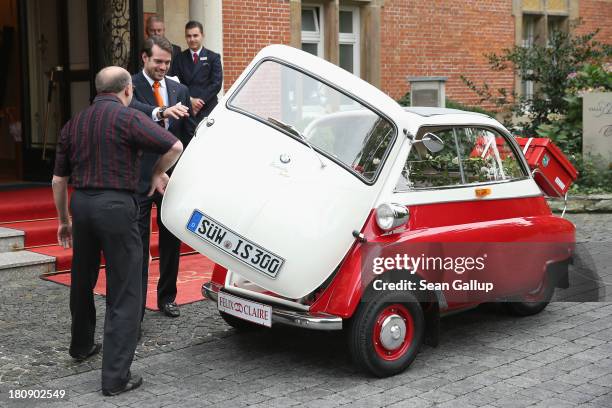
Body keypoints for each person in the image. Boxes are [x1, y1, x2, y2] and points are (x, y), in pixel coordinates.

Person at [52, 66, 183, 396]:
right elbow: (174, 146)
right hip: (117, 206)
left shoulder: (74, 123)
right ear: (127, 91)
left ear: (97, 91)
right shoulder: (129, 118)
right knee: (124, 289)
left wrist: (64, 219)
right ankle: (114, 378)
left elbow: (58, 180)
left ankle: (81, 345)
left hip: (81, 205)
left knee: (82, 277)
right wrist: (156, 174)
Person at [130, 35, 192, 319]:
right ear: (144, 58)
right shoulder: (129, 86)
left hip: (172, 179)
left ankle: (167, 297)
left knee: (171, 241)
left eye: (167, 62)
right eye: (158, 61)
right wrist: (160, 111)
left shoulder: (180, 90)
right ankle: (137, 307)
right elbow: (130, 111)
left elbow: (188, 133)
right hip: (141, 177)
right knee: (139, 246)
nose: (163, 67)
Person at [171, 20, 223, 127]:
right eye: (189, 36)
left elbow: (216, 84)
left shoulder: (213, 57)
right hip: (186, 109)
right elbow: (175, 83)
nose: (192, 39)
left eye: (195, 35)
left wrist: (199, 102)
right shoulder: (179, 58)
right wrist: (190, 100)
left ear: (202, 36)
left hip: (207, 108)